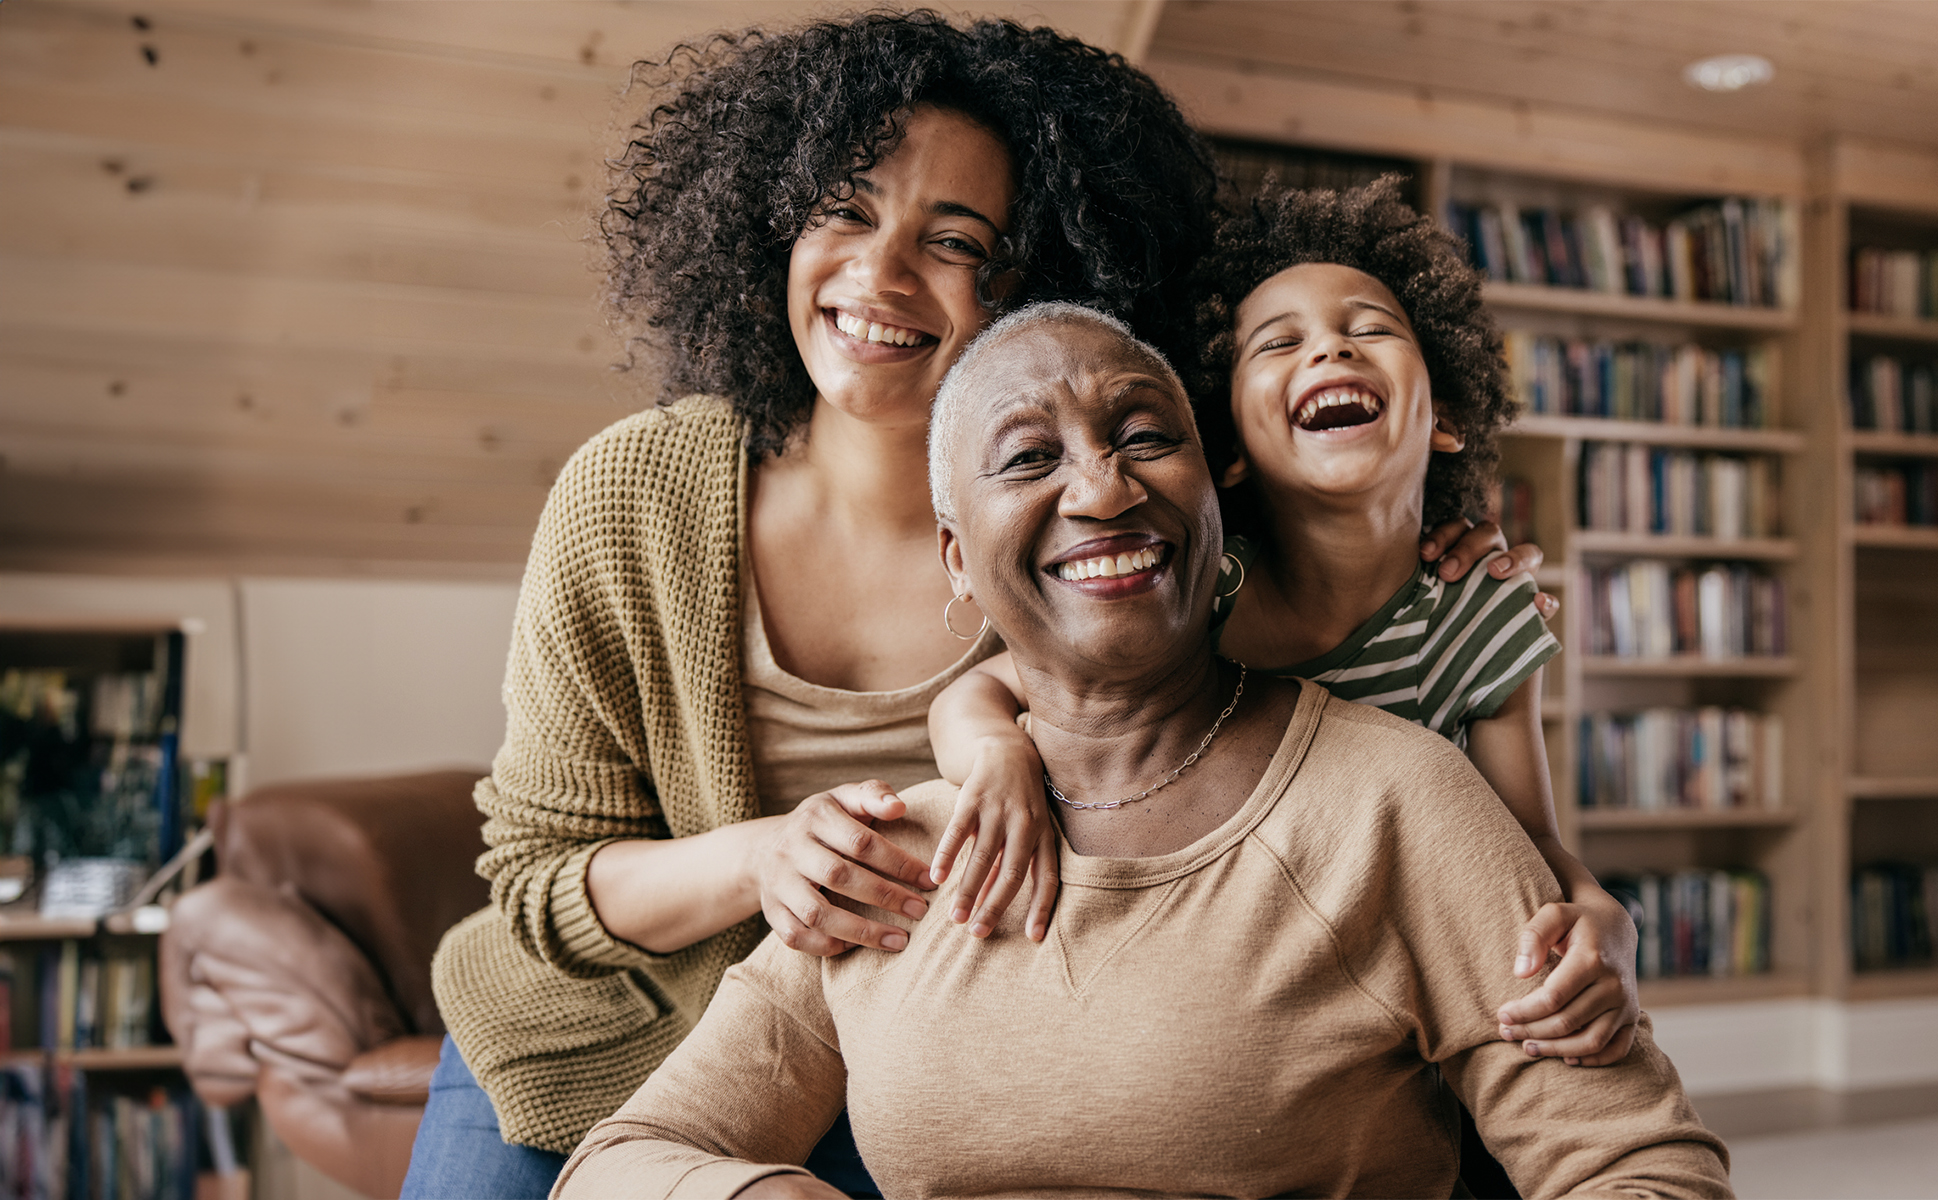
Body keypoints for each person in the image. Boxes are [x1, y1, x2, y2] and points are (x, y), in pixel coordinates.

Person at [406, 13, 1528, 1198]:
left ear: (1038, 278)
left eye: (954, 240)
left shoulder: (1108, 529)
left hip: (913, 1043)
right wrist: (771, 859)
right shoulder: (633, 494)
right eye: (843, 209)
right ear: (770, 222)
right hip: (581, 1043)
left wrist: (1459, 561)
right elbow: (539, 880)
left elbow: (1346, 631)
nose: (879, 277)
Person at [554, 302, 1731, 1199]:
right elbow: (625, 1159)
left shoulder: (1396, 798)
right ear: (959, 560)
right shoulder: (890, 855)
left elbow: (1641, 1169)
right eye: (1028, 457)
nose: (1102, 489)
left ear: (1218, 503)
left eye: (1143, 437)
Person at [928, 179, 1637, 1067]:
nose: (1332, 346)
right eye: (1280, 342)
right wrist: (996, 755)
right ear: (1224, 449)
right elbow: (980, 694)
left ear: (1445, 413)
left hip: (1389, 990)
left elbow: (1527, 845)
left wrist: (1606, 919)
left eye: (1370, 327)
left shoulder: (1481, 613)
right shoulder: (1195, 591)